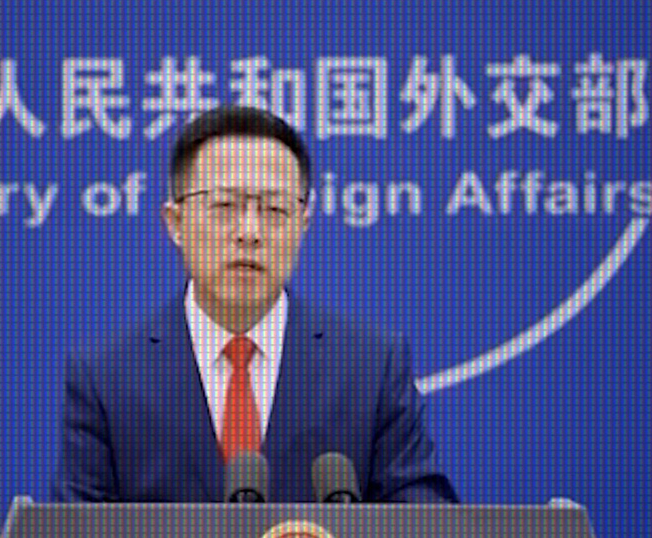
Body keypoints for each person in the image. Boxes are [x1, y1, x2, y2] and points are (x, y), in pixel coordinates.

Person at [51, 105, 458, 503]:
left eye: (275, 209)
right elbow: (78, 526)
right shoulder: (106, 375)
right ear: (175, 223)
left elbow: (423, 519)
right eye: (224, 206)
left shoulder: (371, 365)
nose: (249, 232)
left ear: (303, 224)